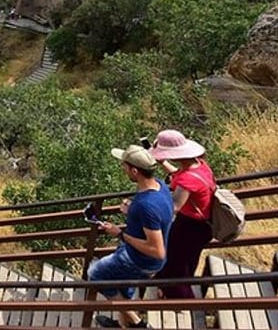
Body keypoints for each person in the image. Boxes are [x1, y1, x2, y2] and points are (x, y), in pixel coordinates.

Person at [88, 145, 174, 328]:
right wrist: (132, 212)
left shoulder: (145, 205)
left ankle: (137, 323)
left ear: (135, 171)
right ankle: (122, 323)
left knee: (95, 274)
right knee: (123, 285)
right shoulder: (160, 186)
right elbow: (157, 217)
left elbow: (157, 251)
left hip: (141, 260)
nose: (122, 168)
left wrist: (120, 234)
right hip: (138, 256)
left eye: (124, 166)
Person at [150, 130, 215, 299]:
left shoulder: (188, 180)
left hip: (191, 227)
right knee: (186, 261)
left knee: (176, 265)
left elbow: (175, 206)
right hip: (201, 225)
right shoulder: (199, 165)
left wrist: (147, 206)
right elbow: (178, 175)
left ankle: (181, 299)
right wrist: (163, 163)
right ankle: (167, 287)